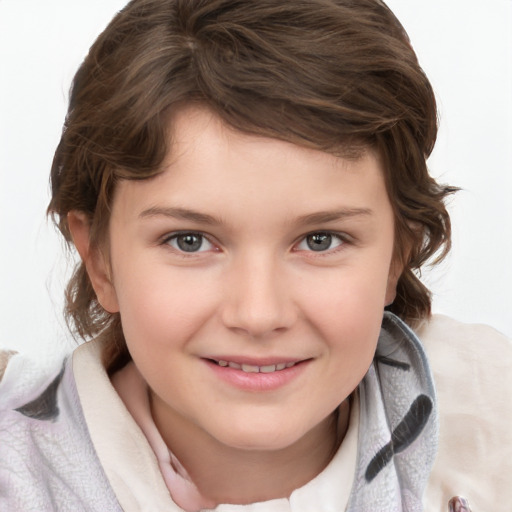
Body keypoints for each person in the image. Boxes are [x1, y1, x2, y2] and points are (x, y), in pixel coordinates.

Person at [0, 0, 510, 511]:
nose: (258, 314)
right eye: (190, 241)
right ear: (100, 260)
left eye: (320, 240)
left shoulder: (491, 423)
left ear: (397, 255)